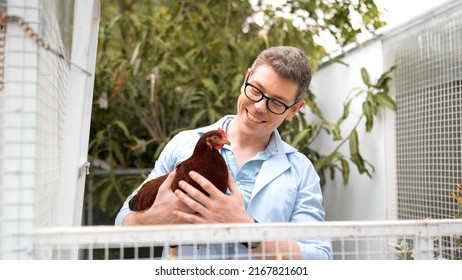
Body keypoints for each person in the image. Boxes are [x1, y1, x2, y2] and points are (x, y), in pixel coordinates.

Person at [115, 46, 332, 260]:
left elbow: (320, 258)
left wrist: (246, 230)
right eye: (256, 89)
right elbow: (121, 223)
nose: (259, 107)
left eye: (276, 103)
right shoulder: (183, 144)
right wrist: (151, 219)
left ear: (293, 110)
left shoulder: (301, 171)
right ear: (245, 78)